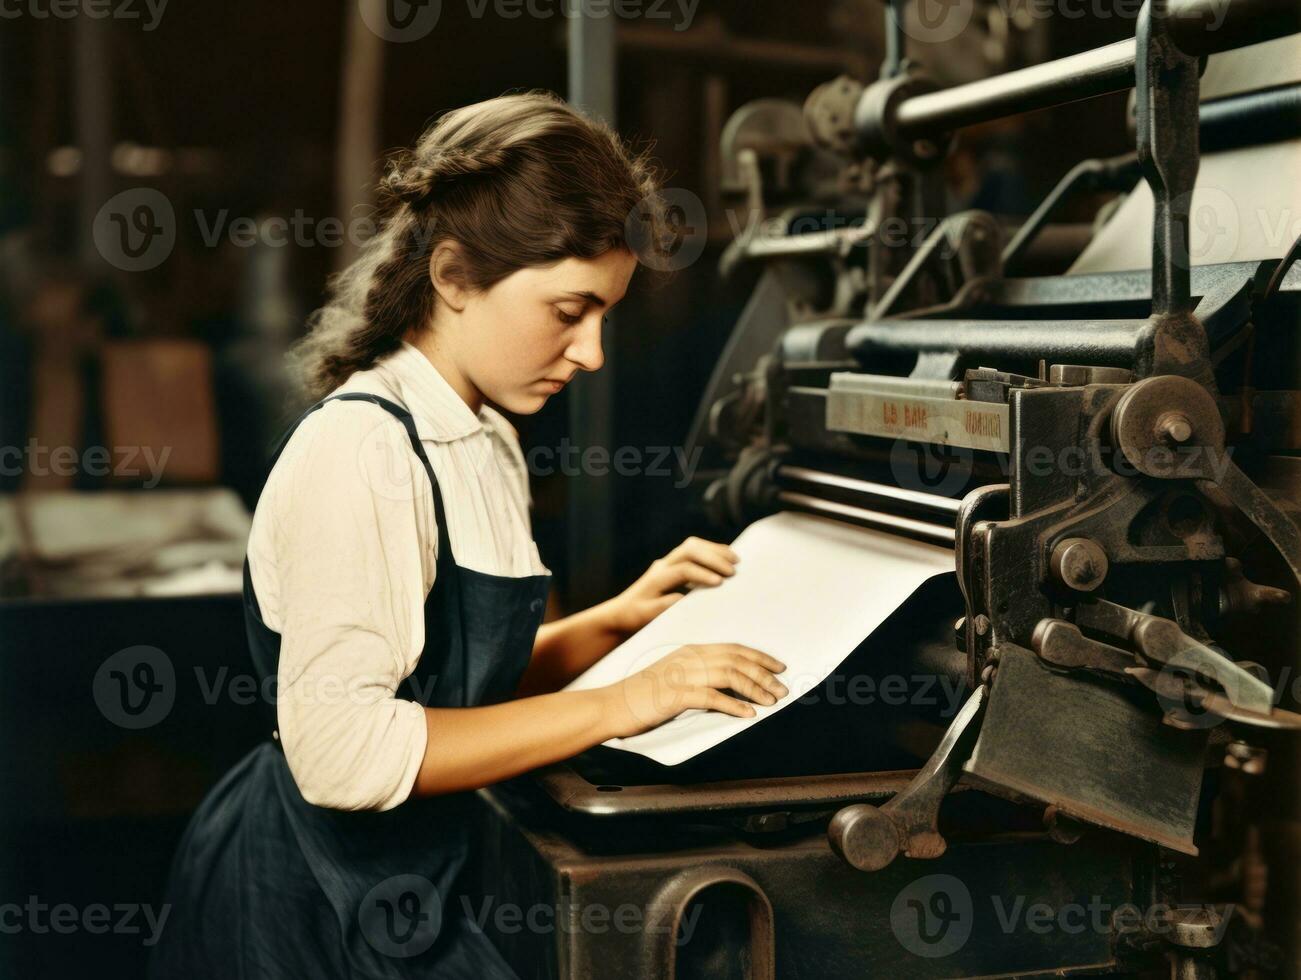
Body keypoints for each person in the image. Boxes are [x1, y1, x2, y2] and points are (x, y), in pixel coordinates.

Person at [149, 90, 787, 979]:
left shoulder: (481, 434)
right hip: (309, 904)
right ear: (452, 275)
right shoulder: (365, 449)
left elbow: (446, 679)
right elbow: (341, 754)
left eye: (605, 315)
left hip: (412, 877)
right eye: (569, 312)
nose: (592, 352)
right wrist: (627, 700)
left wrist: (616, 623)